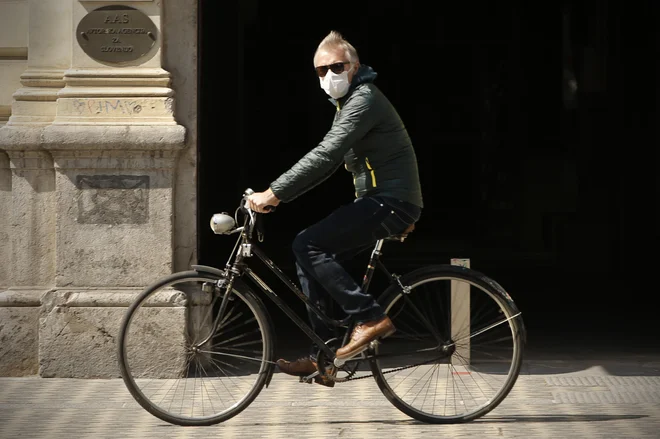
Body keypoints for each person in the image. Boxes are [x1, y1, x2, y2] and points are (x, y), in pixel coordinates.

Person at [246, 30, 423, 387]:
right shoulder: (348, 104)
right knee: (309, 254)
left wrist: (274, 192)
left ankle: (370, 317)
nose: (328, 76)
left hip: (392, 201)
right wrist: (281, 196)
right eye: (320, 71)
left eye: (336, 67)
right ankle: (324, 355)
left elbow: (326, 153)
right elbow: (328, 165)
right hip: (379, 202)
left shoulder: (365, 100)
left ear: (355, 67)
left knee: (307, 244)